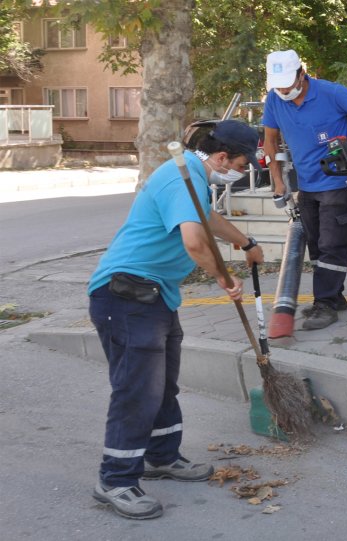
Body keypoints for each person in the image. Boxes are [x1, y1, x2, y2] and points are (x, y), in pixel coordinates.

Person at [87, 120, 264, 520]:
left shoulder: (192, 177)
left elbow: (207, 219)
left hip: (154, 296)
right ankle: (115, 480)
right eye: (240, 163)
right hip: (127, 296)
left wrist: (246, 243)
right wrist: (225, 278)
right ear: (222, 157)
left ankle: (162, 456)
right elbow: (194, 239)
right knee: (137, 391)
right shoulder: (181, 175)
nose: (240, 169)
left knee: (162, 385)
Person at [262, 49, 347, 330]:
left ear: (301, 74)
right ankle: (335, 297)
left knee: (333, 243)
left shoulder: (331, 93)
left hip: (336, 180)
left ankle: (326, 304)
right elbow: (270, 140)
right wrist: (277, 179)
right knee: (317, 245)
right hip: (305, 184)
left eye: (287, 84)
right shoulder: (274, 99)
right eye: (278, 85)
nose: (283, 90)